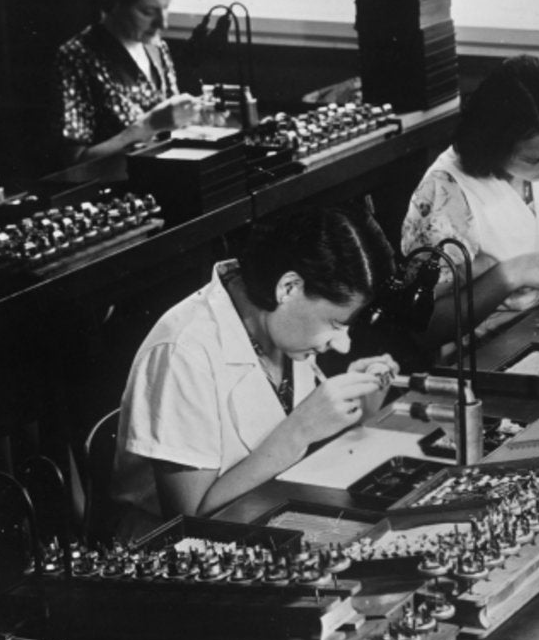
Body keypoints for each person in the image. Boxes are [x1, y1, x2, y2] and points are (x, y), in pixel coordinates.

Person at [110, 207, 399, 538]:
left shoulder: (279, 327)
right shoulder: (184, 351)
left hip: (270, 517)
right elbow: (189, 520)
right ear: (288, 287)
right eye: (335, 323)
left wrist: (359, 409)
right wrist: (300, 430)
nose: (343, 346)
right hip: (181, 550)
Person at [401, 54, 539, 347]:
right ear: (493, 142)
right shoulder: (446, 192)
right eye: (534, 159)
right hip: (483, 350)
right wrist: (506, 277)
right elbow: (421, 325)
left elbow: (535, 245)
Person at [52, 0, 202, 165]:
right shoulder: (76, 57)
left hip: (163, 173)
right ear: (113, 3)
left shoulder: (157, 47)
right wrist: (147, 126)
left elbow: (172, 131)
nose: (163, 23)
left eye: (166, 8)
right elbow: (74, 163)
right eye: (148, 12)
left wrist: (198, 115)